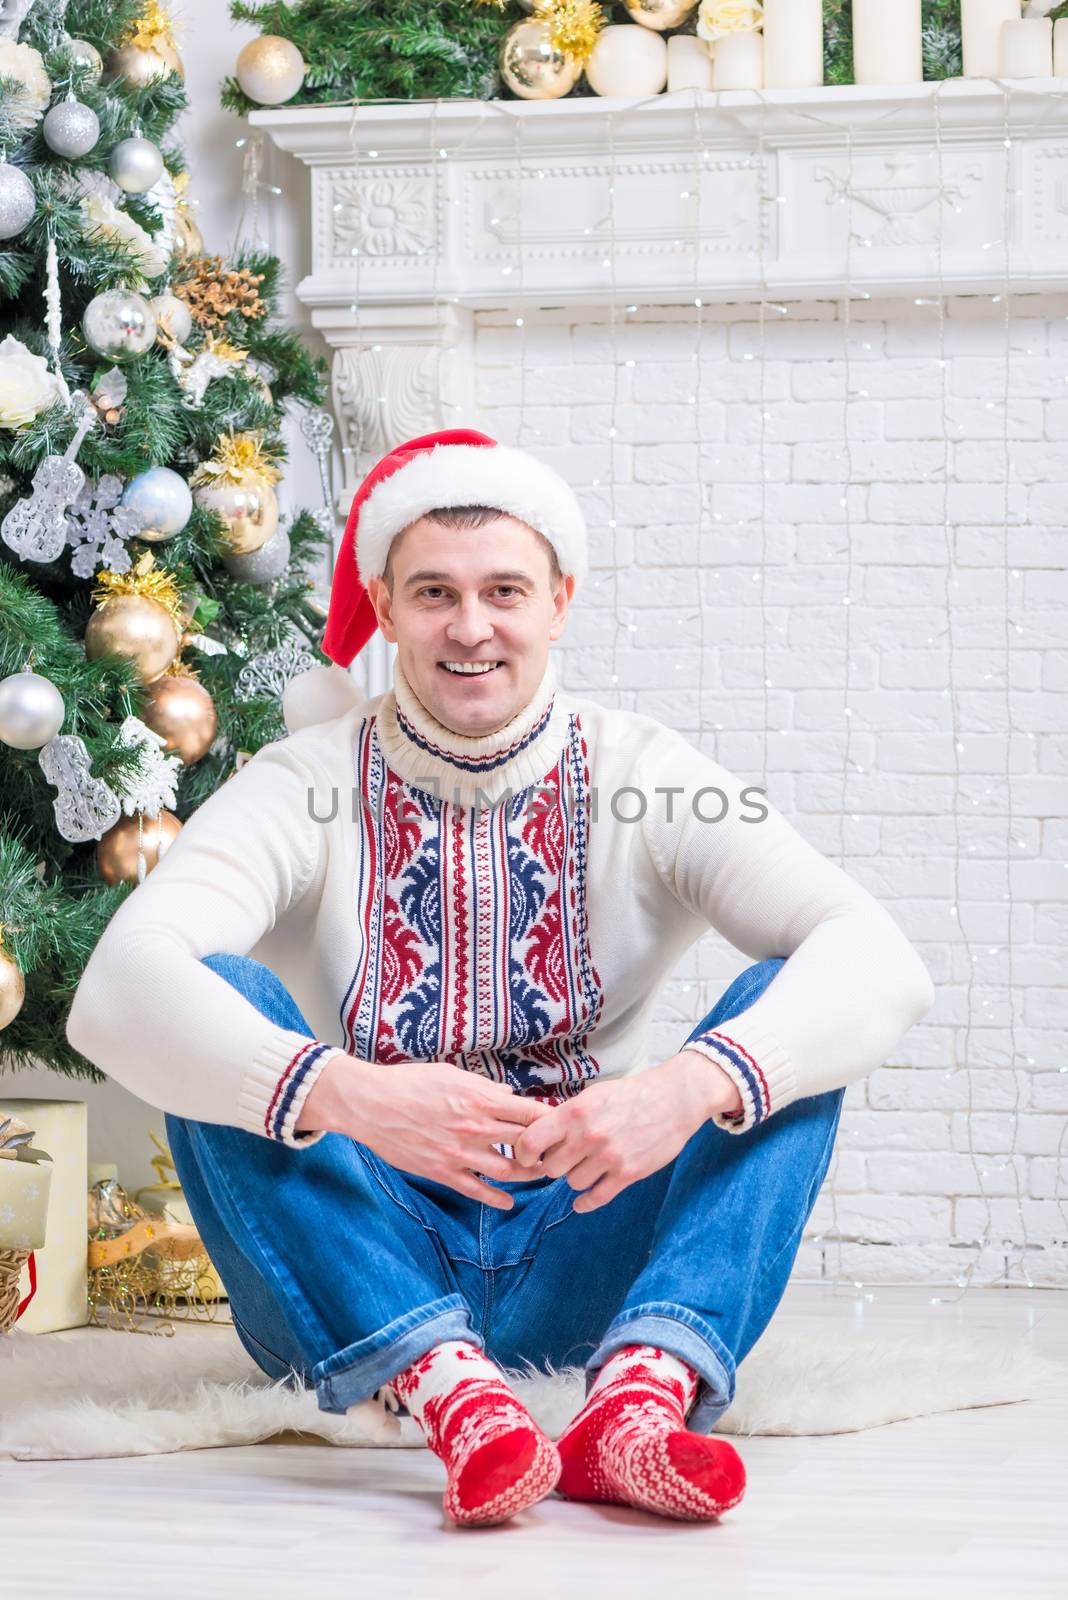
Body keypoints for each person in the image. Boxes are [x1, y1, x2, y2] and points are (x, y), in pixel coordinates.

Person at [66, 427, 935, 1530]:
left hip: (586, 1245)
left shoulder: (648, 774)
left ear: (560, 601)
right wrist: (346, 1093)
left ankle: (636, 1404)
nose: (470, 628)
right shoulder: (300, 781)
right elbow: (119, 988)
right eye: (434, 593)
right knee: (221, 1005)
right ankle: (448, 1391)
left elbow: (879, 960)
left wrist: (683, 1088)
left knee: (784, 1019)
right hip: (355, 1259)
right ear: (383, 606)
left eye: (504, 591)